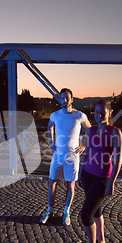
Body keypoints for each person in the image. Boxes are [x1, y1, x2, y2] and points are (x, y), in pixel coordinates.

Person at [78, 99, 122, 243]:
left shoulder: (115, 132)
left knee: (85, 215)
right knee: (96, 211)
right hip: (88, 175)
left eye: (103, 111)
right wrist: (82, 173)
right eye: (96, 112)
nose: (99, 115)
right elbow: (87, 153)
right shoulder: (91, 131)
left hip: (102, 177)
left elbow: (118, 160)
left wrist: (111, 182)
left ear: (110, 113)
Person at [40, 88, 91, 226]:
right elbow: (49, 126)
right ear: (60, 99)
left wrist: (84, 144)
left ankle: (66, 212)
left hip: (73, 156)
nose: (65, 100)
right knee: (53, 182)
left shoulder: (79, 115)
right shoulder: (55, 115)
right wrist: (51, 142)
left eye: (67, 98)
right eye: (62, 98)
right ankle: (49, 210)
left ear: (72, 99)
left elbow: (89, 129)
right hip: (58, 155)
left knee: (71, 184)